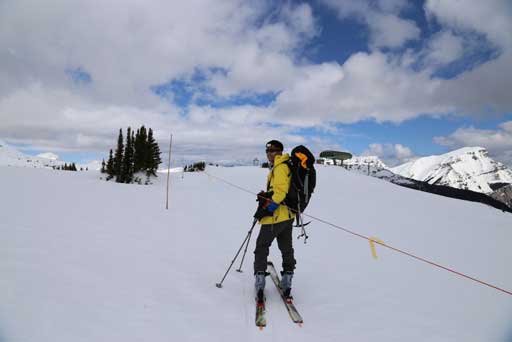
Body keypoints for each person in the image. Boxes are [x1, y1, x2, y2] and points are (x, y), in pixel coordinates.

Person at [253, 140, 296, 301]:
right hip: (288, 216)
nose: (269, 153)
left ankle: (259, 282)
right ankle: (287, 281)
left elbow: (280, 193)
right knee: (286, 248)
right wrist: (267, 194)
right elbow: (278, 190)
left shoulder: (280, 167)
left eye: (273, 151)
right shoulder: (286, 165)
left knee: (261, 246)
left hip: (276, 217)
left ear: (279, 152)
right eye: (267, 151)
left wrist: (267, 209)